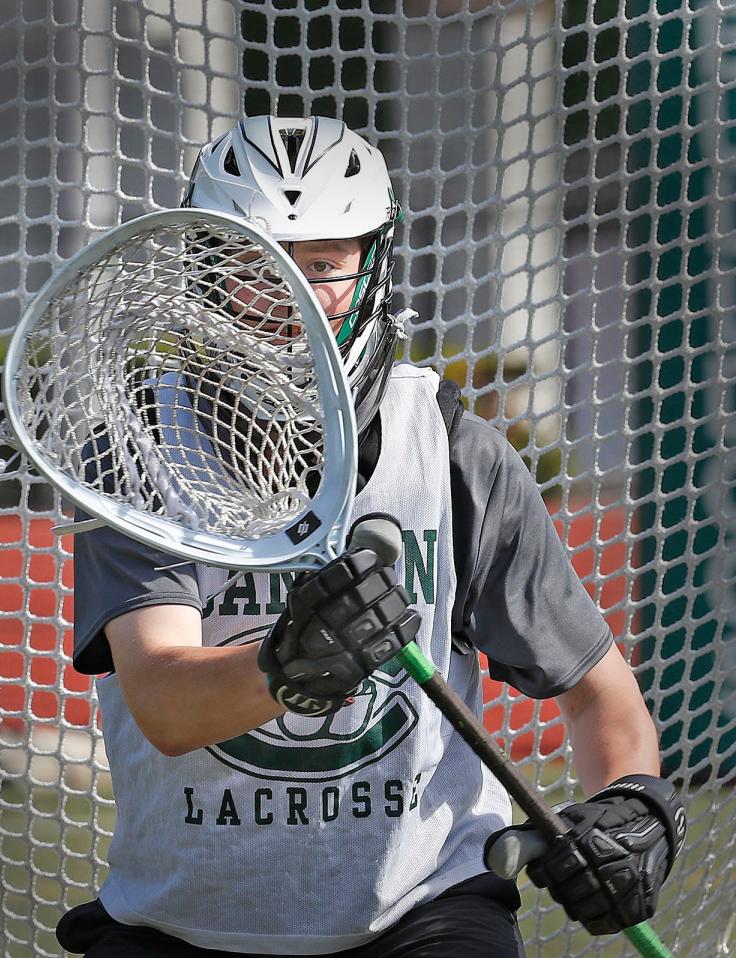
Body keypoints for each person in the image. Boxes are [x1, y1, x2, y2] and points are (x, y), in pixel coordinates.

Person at [57, 116, 686, 957]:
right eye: (255, 265)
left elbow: (600, 695)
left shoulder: (453, 451)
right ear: (201, 268)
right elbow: (167, 704)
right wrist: (293, 662)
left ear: (373, 265)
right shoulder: (142, 449)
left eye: (322, 266)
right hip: (185, 926)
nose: (289, 296)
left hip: (423, 914)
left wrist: (632, 805)